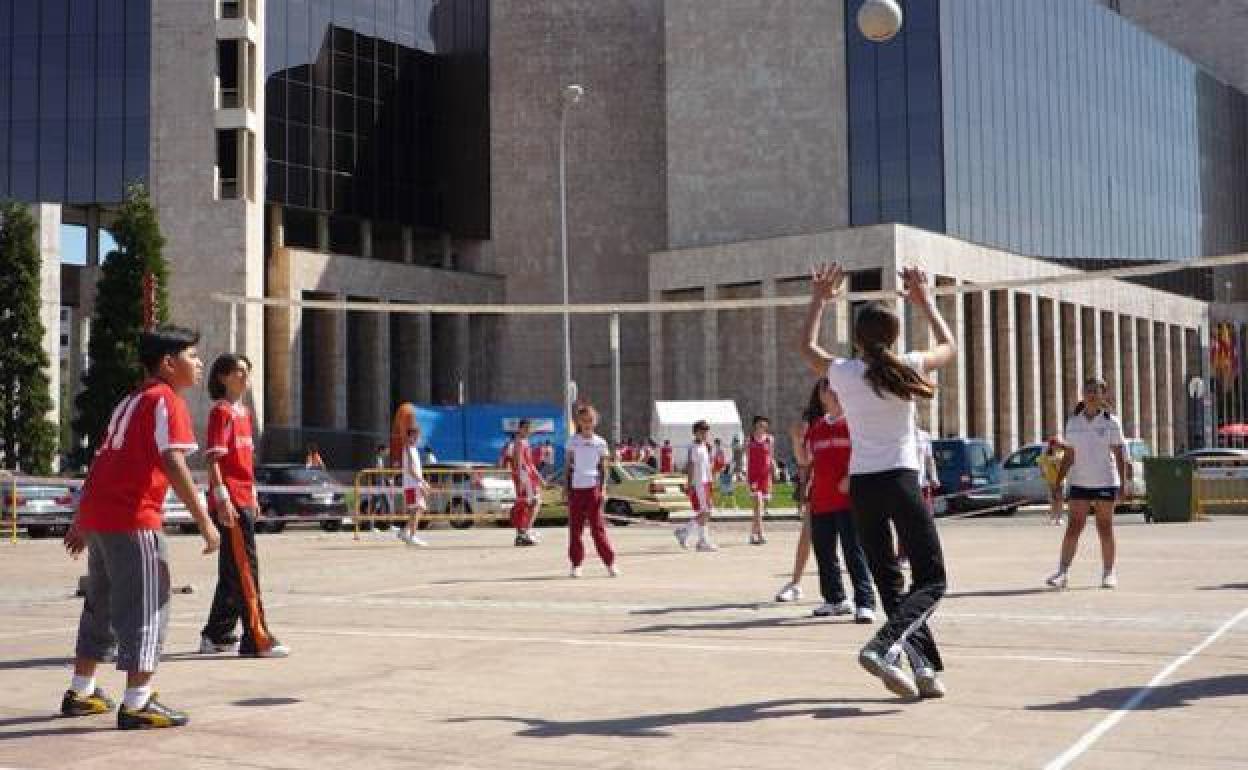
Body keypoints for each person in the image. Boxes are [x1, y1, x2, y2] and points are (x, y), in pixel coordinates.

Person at [801, 263, 957, 700]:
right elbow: (949, 345)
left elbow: (805, 346)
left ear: (857, 339)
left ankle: (923, 667)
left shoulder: (845, 372)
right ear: (893, 338)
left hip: (864, 487)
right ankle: (883, 645)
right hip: (901, 481)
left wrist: (819, 299)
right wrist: (925, 302)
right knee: (932, 579)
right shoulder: (907, 365)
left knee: (889, 580)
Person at [60, 326, 221, 729]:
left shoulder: (128, 402)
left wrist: (82, 520)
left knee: (100, 604)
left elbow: (101, 461)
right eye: (192, 356)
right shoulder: (167, 401)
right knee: (149, 606)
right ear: (169, 363)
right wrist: (204, 520)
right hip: (134, 520)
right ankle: (138, 700)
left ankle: (81, 689)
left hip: (102, 519)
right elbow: (173, 461)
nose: (199, 363)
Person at [199, 353, 290, 659]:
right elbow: (212, 460)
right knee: (245, 569)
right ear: (222, 377)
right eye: (238, 371)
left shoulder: (245, 413)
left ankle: (217, 634)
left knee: (232, 571)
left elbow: (246, 463)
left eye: (247, 371)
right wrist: (222, 497)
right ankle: (257, 637)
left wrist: (253, 496)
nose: (244, 376)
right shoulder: (220, 412)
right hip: (230, 502)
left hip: (244, 498)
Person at [804, 379, 876, 623]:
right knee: (824, 553)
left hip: (848, 500)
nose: (829, 391)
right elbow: (806, 460)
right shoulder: (817, 427)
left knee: (853, 552)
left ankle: (865, 602)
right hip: (821, 499)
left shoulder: (853, 424)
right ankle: (835, 599)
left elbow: (865, 453)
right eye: (825, 388)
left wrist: (849, 477)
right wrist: (795, 441)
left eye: (833, 387)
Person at [1046, 379, 1127, 590]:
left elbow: (1119, 455)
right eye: (1088, 391)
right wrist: (1058, 481)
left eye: (1096, 391)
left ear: (1103, 395)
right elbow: (1069, 455)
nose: (1091, 395)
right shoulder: (1073, 423)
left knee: (1105, 527)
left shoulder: (1112, 422)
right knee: (1073, 527)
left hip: (1105, 481)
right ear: (1082, 394)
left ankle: (1109, 572)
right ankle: (1062, 572)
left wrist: (1123, 485)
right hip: (1080, 481)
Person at [565, 404, 619, 578]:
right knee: (575, 529)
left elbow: (604, 468)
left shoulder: (600, 442)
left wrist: (603, 489)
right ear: (578, 422)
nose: (587, 424)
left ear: (595, 422)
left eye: (590, 420)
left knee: (597, 528)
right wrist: (567, 489)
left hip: (593, 488)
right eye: (583, 421)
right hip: (576, 489)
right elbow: (568, 467)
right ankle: (576, 564)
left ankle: (610, 563)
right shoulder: (572, 442)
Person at [775, 412, 816, 602]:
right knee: (806, 537)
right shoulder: (813, 436)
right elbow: (803, 464)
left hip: (841, 492)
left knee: (852, 543)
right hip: (818, 490)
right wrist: (796, 440)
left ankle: (862, 592)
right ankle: (796, 583)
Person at [674, 420, 718, 552]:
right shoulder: (693, 448)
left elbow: (707, 466)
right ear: (695, 433)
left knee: (705, 511)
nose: (704, 434)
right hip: (698, 483)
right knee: (705, 512)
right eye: (701, 431)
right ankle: (700, 539)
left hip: (706, 482)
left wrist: (712, 480)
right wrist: (689, 484)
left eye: (706, 431)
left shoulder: (705, 446)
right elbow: (691, 466)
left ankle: (686, 533)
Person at [505, 420, 542, 547]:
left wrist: (539, 477)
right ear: (520, 429)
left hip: (529, 476)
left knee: (530, 503)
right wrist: (520, 479)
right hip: (524, 477)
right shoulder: (518, 442)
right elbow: (518, 462)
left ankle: (523, 533)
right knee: (531, 502)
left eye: (529, 429)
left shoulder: (525, 442)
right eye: (525, 428)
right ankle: (524, 533)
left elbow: (530, 462)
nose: (528, 431)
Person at [397, 427, 431, 546]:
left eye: (418, 436)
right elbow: (411, 469)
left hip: (411, 484)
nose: (418, 438)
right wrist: (423, 482)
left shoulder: (413, 449)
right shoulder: (409, 448)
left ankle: (404, 532)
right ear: (411, 435)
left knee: (415, 509)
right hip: (413, 484)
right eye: (416, 436)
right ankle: (412, 536)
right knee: (418, 509)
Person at [746, 417, 775, 545]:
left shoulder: (770, 439)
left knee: (759, 508)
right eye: (759, 425)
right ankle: (761, 534)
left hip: (765, 476)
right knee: (758, 502)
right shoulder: (749, 439)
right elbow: (745, 458)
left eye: (764, 425)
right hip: (753, 476)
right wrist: (742, 473)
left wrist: (775, 470)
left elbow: (771, 457)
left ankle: (752, 535)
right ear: (755, 426)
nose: (761, 427)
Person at [1038, 437, 1066, 526]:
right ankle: (1053, 517)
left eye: (1057, 444)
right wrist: (1042, 472)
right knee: (1053, 499)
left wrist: (1057, 463)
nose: (1056, 446)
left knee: (1060, 499)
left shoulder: (1062, 454)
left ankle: (1059, 518)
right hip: (1051, 480)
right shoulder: (1046, 455)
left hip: (1060, 480)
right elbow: (1040, 462)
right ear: (1051, 446)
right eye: (1054, 444)